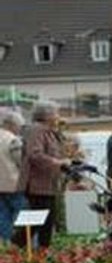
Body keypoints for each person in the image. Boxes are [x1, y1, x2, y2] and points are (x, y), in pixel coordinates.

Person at [18, 101, 71, 249]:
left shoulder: (49, 132)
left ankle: (43, 253)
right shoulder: (36, 131)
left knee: (47, 222)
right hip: (37, 185)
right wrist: (58, 162)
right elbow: (34, 155)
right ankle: (15, 249)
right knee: (38, 221)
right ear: (47, 115)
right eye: (56, 113)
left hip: (49, 185)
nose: (58, 117)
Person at [0, 109, 26, 243]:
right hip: (14, 185)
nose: (19, 129)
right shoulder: (12, 140)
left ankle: (5, 245)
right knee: (21, 216)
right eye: (18, 126)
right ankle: (20, 245)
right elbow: (21, 162)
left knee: (2, 217)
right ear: (10, 124)